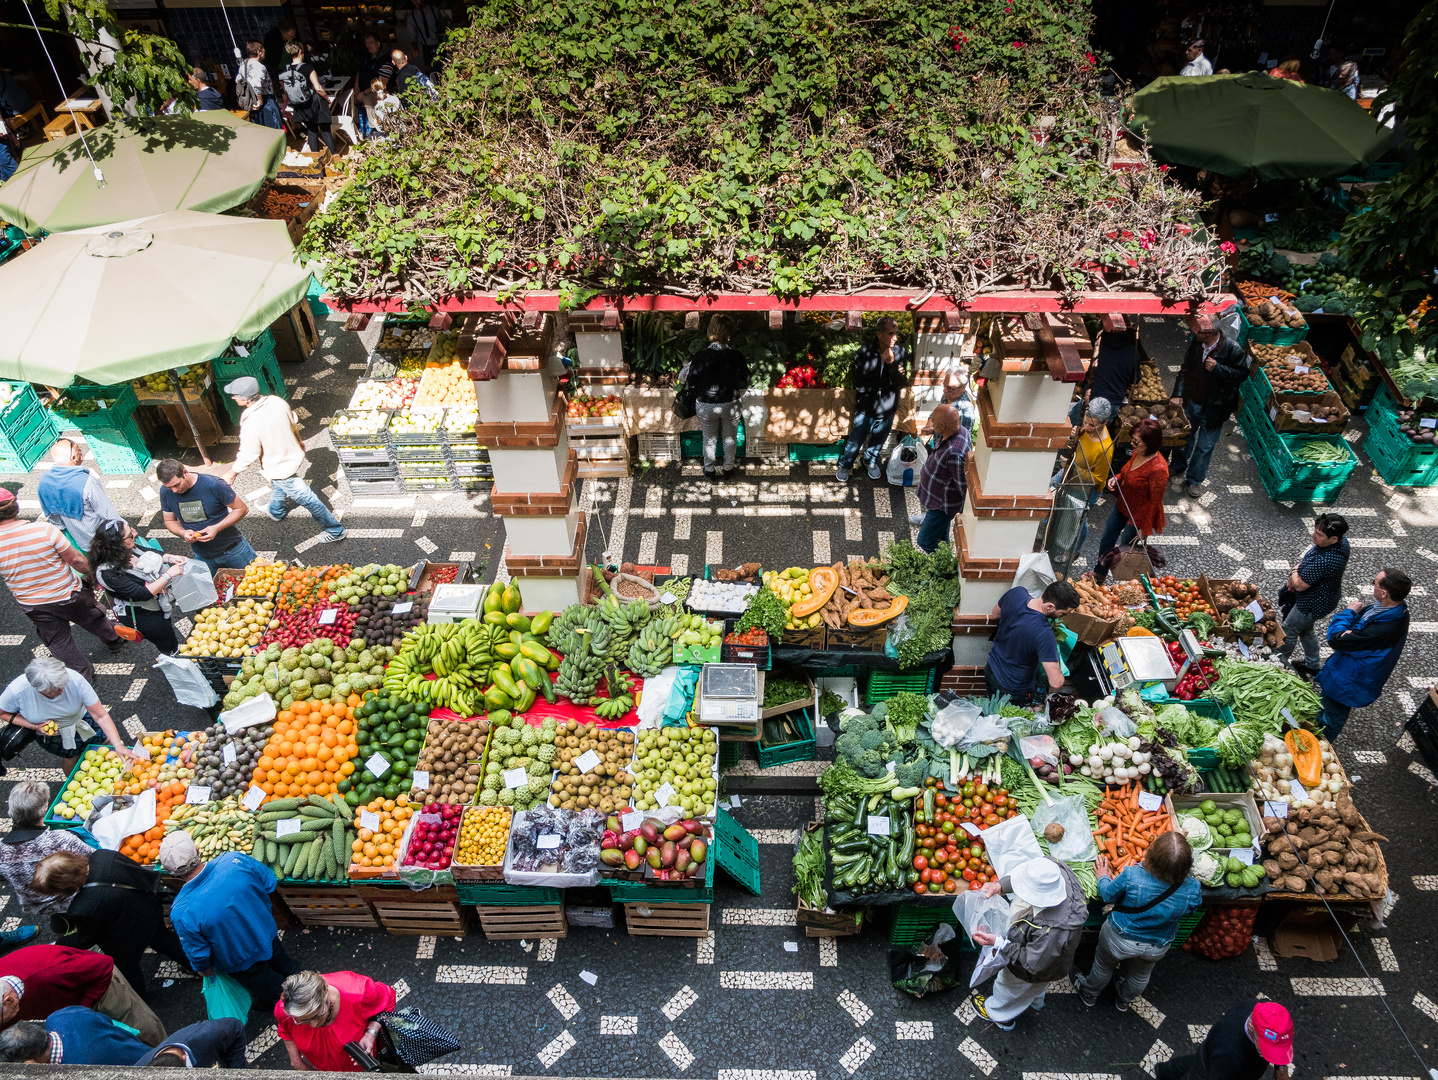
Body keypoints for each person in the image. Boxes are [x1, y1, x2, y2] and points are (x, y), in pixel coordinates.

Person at [33, 847, 192, 1000]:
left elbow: (86, 938)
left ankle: (140, 1000)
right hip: (149, 909)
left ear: (63, 886)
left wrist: (60, 944)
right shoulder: (103, 856)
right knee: (165, 940)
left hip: (127, 938)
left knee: (128, 969)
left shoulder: (82, 908)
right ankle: (196, 966)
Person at [0, 488, 123, 683]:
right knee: (92, 617)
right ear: (16, 506)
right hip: (68, 594)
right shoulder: (43, 530)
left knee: (58, 641)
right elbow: (75, 560)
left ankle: (83, 676)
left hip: (32, 603)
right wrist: (92, 575)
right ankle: (114, 639)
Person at [161, 835, 298, 1010]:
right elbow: (269, 883)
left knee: (267, 984)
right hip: (265, 932)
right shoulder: (234, 860)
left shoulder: (181, 911)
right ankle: (299, 978)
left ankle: (289, 1002)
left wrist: (204, 970)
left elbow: (198, 954)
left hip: (238, 960)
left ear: (168, 870)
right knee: (281, 961)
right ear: (197, 850)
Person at [1072, 832, 1202, 1009]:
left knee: (1103, 965)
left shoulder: (1133, 875)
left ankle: (1089, 994)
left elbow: (1108, 895)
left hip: (1120, 938)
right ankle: (1123, 1001)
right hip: (1157, 944)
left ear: (1151, 855)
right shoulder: (1192, 888)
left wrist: (1103, 877)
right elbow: (1192, 909)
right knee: (1140, 975)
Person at [218, 377, 346, 543]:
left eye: (235, 395)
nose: (233, 398)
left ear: (244, 399)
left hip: (279, 465)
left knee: (309, 499)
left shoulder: (252, 422)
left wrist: (231, 472)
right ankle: (276, 510)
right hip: (291, 455)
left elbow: (248, 453)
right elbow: (292, 420)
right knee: (279, 483)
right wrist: (299, 440)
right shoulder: (276, 401)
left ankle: (335, 530)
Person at [970, 857, 1087, 1030]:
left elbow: (1032, 963)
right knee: (1037, 986)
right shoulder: (1057, 872)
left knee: (1010, 987)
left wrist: (1001, 943)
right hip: (1051, 963)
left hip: (1034, 966)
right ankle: (1036, 1001)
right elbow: (1024, 879)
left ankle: (999, 1015)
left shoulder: (1053, 931)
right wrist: (1000, 885)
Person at [0, 944, 165, 1046]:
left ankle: (171, 1056)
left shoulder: (51, 972)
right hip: (69, 1004)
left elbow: (104, 965)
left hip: (100, 989)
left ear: (9, 999)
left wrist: (82, 1009)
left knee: (143, 1031)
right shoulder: (6, 1004)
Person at [1314, 568, 1411, 740]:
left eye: (1375, 582)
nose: (1372, 585)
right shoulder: (1392, 611)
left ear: (1384, 593)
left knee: (1331, 717)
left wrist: (1349, 612)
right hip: (1346, 673)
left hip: (1349, 680)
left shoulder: (1383, 629)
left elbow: (1336, 639)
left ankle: (1321, 745)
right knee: (1322, 707)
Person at [0, 658, 139, 775]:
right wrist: (34, 726)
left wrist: (118, 744)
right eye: (54, 691)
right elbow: (2, 713)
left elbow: (100, 715)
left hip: (83, 720)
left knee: (105, 743)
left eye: (63, 686)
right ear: (38, 690)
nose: (62, 691)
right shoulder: (17, 691)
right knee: (71, 756)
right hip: (52, 735)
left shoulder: (75, 679)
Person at [1169, 323, 1249, 498]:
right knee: (1184, 436)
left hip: (1215, 407)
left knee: (1205, 446)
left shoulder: (1232, 349)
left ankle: (1195, 479)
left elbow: (1242, 374)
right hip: (1192, 402)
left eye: (1198, 330)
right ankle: (1178, 464)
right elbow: (1185, 369)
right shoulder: (1196, 345)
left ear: (1209, 332)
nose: (1193, 331)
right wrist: (1178, 393)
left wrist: (1218, 369)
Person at [88, 519, 189, 655]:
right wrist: (168, 575)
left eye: (131, 529)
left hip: (158, 604)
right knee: (167, 644)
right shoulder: (107, 573)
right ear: (117, 544)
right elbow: (141, 594)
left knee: (167, 631)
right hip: (143, 614)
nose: (134, 534)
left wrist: (171, 558)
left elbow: (151, 553)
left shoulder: (130, 548)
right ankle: (177, 667)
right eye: (129, 535)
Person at [0, 781, 93, 920]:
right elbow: (94, 856)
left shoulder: (1, 850)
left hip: (39, 906)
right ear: (45, 810)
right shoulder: (60, 839)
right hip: (75, 898)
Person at [277, 970, 398, 1072]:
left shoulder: (358, 991)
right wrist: (297, 1062)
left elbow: (389, 999)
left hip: (366, 1064)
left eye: (318, 1014)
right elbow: (285, 1028)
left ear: (326, 993)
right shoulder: (288, 1009)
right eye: (304, 1020)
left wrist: (371, 1033)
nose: (314, 1025)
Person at [1276, 514, 1350, 678]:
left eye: (1319, 534)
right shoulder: (1342, 543)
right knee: (1306, 629)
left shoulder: (1326, 561)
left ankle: (1278, 662)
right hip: (1324, 598)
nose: (1313, 535)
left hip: (1311, 603)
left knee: (1290, 629)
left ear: (1333, 539)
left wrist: (1294, 571)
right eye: (1315, 530)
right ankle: (1312, 664)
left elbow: (1300, 585)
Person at [1093, 419, 1168, 583]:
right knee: (1107, 538)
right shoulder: (1138, 453)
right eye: (1132, 440)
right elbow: (1128, 473)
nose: (1132, 444)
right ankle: (1099, 572)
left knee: (1126, 549)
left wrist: (1145, 529)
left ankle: (1126, 581)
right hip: (1122, 505)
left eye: (1136, 442)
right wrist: (1117, 478)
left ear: (1150, 443)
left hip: (1138, 517)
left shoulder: (1159, 469)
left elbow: (1155, 502)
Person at [837, 317, 910, 482]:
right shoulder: (865, 352)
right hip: (866, 407)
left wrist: (891, 363)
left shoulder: (899, 352)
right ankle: (846, 464)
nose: (895, 337)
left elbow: (901, 383)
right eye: (890, 333)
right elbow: (861, 384)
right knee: (856, 439)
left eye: (896, 333)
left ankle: (869, 461)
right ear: (879, 334)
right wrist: (888, 382)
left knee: (879, 439)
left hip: (888, 407)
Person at [986, 580, 1080, 705]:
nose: (1062, 617)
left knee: (990, 710)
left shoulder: (1017, 593)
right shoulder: (1044, 634)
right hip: (1012, 688)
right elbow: (1055, 682)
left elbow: (995, 614)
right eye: (1062, 613)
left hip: (992, 668)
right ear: (1050, 606)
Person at [156, 460, 256, 575]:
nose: (174, 490)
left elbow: (241, 509)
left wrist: (217, 528)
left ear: (185, 472)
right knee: (213, 590)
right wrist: (182, 532)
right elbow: (169, 520)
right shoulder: (165, 492)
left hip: (233, 550)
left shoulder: (214, 484)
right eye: (169, 488)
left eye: (177, 485)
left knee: (255, 582)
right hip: (203, 556)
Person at [1156, 999, 1293, 1080]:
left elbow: (1278, 1038)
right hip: (1215, 1069)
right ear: (1251, 1028)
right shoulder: (1230, 1056)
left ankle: (1163, 1070)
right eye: (1266, 1049)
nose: (1270, 1056)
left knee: (1195, 1060)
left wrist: (1281, 1068)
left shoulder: (1257, 1007)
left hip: (1211, 1051)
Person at [685, 315, 750, 478]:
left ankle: (709, 470)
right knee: (729, 437)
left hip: (706, 405)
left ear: (710, 331)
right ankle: (728, 468)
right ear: (728, 334)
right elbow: (746, 378)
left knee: (709, 437)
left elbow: (691, 381)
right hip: (730, 403)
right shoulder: (736, 355)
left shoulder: (700, 356)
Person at [36, 438, 120, 553]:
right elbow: (108, 514)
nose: (82, 452)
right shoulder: (87, 482)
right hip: (104, 540)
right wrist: (125, 531)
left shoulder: (44, 481)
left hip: (80, 542)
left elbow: (55, 519)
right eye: (79, 450)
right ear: (74, 457)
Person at [907, 403, 971, 553]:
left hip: (942, 506)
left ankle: (939, 563)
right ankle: (944, 552)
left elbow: (963, 485)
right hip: (937, 501)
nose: (931, 423)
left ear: (942, 425)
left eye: (933, 421)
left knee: (925, 541)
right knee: (941, 536)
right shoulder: (960, 432)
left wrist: (964, 510)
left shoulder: (955, 453)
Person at [0, 1008, 149, 1065]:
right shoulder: (58, 1016)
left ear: (32, 1058)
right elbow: (106, 1020)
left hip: (145, 1067)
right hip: (144, 1050)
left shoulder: (76, 1066)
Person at [1069, 397, 1115, 549]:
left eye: (1092, 425)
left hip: (1085, 490)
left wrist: (1074, 468)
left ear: (1105, 422)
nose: (1087, 427)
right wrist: (1077, 433)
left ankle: (1075, 550)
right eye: (1086, 422)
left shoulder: (1104, 449)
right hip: (1071, 474)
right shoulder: (1087, 429)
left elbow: (1098, 480)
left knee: (1078, 522)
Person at [1075, 317, 1139, 426]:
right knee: (1094, 434)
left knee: (1077, 429)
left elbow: (1083, 369)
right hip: (1112, 401)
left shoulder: (1095, 345)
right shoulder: (1133, 351)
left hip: (1091, 396)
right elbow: (1135, 379)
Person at [280, 42, 336, 153]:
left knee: (311, 131)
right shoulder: (308, 67)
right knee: (325, 131)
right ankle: (334, 157)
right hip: (315, 102)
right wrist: (327, 98)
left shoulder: (286, 70)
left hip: (301, 106)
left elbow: (285, 89)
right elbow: (318, 87)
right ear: (300, 52)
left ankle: (316, 158)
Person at [135, 1018, 248, 1069]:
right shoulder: (137, 1070)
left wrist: (236, 1070)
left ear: (184, 1059)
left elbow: (236, 1027)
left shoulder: (207, 1034)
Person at [355, 32, 395, 138]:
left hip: (379, 92)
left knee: (367, 100)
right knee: (346, 98)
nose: (368, 45)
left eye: (371, 43)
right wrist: (356, 85)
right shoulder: (366, 56)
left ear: (378, 44)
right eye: (366, 43)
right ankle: (358, 127)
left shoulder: (386, 59)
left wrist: (364, 93)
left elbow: (381, 84)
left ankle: (375, 129)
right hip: (362, 89)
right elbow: (360, 70)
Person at [239, 41, 283, 129]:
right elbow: (256, 85)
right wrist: (260, 101)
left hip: (250, 101)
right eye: (263, 51)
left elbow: (238, 80)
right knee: (274, 129)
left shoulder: (243, 65)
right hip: (265, 102)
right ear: (259, 52)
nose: (264, 53)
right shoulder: (259, 66)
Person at [403, 0, 446, 70]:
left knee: (444, 67)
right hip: (426, 47)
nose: (415, 3)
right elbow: (412, 36)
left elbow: (442, 26)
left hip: (439, 44)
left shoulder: (434, 10)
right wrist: (415, 49)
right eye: (413, 1)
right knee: (430, 69)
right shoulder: (412, 17)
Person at [940, 366, 978, 435]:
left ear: (962, 388)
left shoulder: (966, 411)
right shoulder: (948, 395)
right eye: (944, 385)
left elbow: (961, 441)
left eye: (950, 388)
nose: (944, 390)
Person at [264, 20, 298, 85]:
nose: (294, 38)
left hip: (290, 68)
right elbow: (271, 61)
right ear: (283, 33)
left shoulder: (292, 41)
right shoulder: (272, 41)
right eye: (291, 36)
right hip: (278, 70)